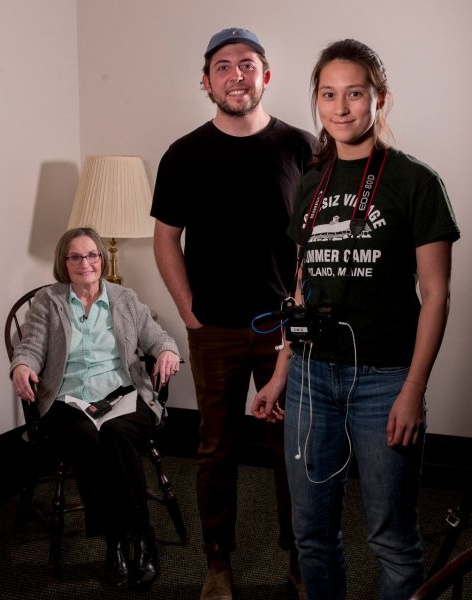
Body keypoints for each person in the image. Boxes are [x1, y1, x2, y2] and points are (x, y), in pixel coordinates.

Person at [251, 39, 460, 600]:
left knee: (391, 538)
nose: (340, 108)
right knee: (312, 533)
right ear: (317, 102)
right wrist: (279, 372)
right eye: (328, 95)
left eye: (354, 94)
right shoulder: (311, 182)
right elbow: (302, 289)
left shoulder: (415, 182)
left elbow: (436, 295)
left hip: (384, 379)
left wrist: (413, 390)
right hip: (311, 380)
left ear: (379, 99)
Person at [151, 27, 316, 600]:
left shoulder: (302, 147)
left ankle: (301, 559)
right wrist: (187, 310)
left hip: (282, 330)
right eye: (223, 66)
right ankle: (217, 562)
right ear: (206, 82)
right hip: (214, 328)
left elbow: (317, 239)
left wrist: (299, 308)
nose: (235, 75)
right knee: (215, 448)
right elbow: (166, 238)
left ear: (265, 77)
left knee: (292, 448)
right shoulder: (183, 154)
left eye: (247, 65)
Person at [10, 227, 180, 589]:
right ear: (64, 262)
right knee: (89, 437)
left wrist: (167, 351)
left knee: (115, 433)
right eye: (75, 256)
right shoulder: (48, 302)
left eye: (92, 255)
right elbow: (31, 346)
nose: (85, 263)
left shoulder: (125, 299)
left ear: (102, 259)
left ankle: (132, 538)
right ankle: (122, 540)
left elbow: (158, 337)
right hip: (68, 400)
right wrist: (22, 365)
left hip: (123, 395)